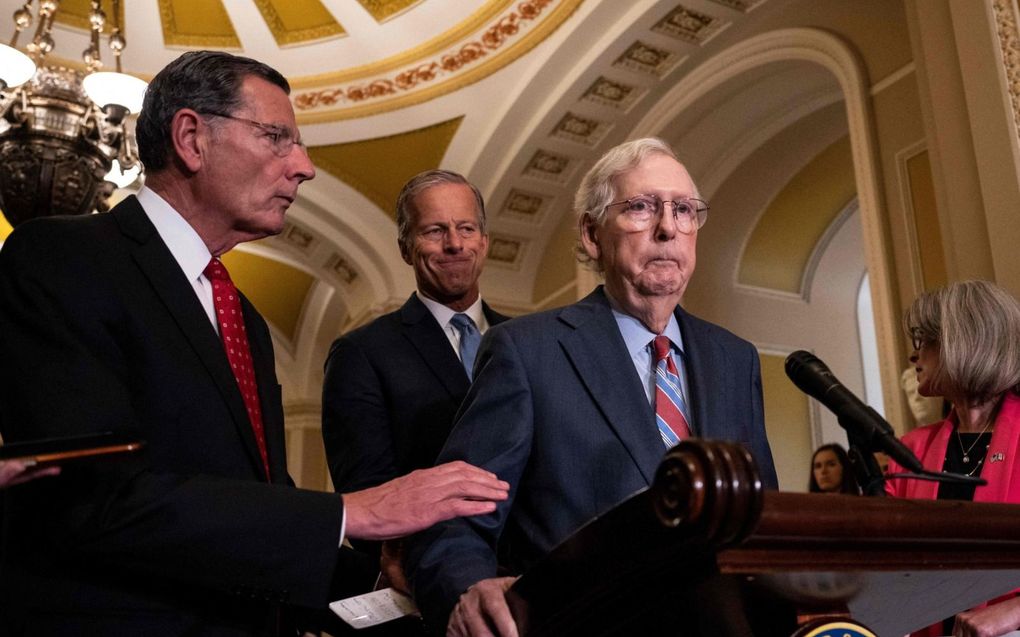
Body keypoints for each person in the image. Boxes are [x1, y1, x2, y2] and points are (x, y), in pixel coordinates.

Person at [0, 51, 508, 636]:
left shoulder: (243, 316)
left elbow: (258, 508)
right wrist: (353, 512)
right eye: (277, 138)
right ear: (191, 138)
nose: (305, 167)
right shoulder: (64, 259)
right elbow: (87, 504)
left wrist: (392, 588)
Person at [405, 137, 778, 636]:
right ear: (591, 234)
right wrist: (470, 593)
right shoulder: (527, 352)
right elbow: (455, 520)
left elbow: (764, 519)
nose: (668, 228)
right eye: (642, 208)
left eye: (685, 210)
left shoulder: (735, 359)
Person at [322, 170, 508, 593]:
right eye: (435, 231)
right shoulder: (362, 353)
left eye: (466, 228)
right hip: (431, 584)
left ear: (484, 241)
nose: (455, 244)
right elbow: (369, 494)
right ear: (406, 248)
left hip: (535, 580)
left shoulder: (530, 341)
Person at [887, 280, 1020, 637]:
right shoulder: (908, 451)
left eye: (925, 342)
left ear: (967, 342)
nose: (914, 356)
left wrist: (1011, 614)